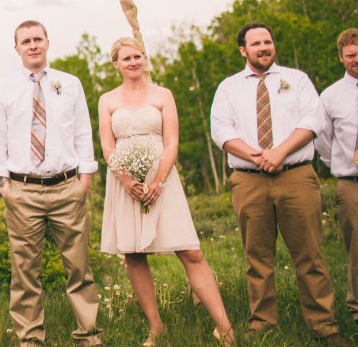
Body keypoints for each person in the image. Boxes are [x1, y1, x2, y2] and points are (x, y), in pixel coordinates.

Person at [210, 22, 348, 345]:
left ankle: (324, 326)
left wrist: (279, 152)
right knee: (257, 257)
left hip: (295, 175)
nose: (264, 48)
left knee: (310, 254)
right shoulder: (228, 88)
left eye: (268, 42)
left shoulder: (296, 81)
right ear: (243, 50)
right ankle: (262, 324)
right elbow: (221, 131)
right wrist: (259, 156)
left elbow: (312, 122)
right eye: (256, 43)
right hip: (249, 180)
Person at [98, 37, 233, 346]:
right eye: (127, 58)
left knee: (190, 251)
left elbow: (172, 142)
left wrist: (157, 181)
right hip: (124, 182)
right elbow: (107, 145)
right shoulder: (107, 99)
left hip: (163, 176)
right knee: (133, 255)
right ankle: (156, 327)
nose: (134, 61)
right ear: (116, 64)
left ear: (144, 59)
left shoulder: (163, 94)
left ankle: (225, 327)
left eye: (138, 56)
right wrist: (125, 179)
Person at [0, 20, 103, 347]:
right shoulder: (4, 89)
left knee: (79, 266)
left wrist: (85, 178)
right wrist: (4, 185)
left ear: (48, 43)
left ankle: (88, 335)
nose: (33, 45)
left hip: (67, 187)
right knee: (25, 272)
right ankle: (30, 339)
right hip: (22, 190)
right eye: (26, 41)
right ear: (17, 49)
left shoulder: (70, 84)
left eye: (38, 39)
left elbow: (83, 131)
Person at [317, 28, 358, 324]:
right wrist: (343, 165)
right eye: (351, 55)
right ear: (341, 57)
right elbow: (322, 139)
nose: (357, 59)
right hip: (352, 183)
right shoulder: (331, 96)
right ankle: (357, 310)